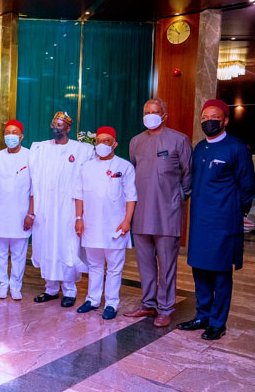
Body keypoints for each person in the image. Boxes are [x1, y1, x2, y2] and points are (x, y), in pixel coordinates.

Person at [177, 99, 255, 340]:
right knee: (199, 269)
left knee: (220, 274)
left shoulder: (237, 148)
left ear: (225, 121)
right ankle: (202, 315)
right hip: (200, 221)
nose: (208, 121)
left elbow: (247, 188)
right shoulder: (199, 148)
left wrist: (234, 212)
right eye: (204, 117)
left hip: (224, 222)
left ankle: (218, 322)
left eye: (214, 117)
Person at [124, 98, 192, 327]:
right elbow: (134, 172)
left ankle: (165, 308)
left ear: (164, 115)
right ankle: (149, 304)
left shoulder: (179, 140)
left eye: (155, 111)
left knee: (167, 264)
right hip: (142, 212)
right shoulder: (135, 142)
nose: (150, 115)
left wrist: (176, 198)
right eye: (146, 111)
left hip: (167, 213)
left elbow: (188, 174)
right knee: (144, 263)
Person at [31, 111, 93, 308]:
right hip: (46, 208)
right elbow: (33, 181)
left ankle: (69, 291)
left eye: (60, 124)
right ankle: (50, 288)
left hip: (68, 209)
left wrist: (80, 214)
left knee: (68, 247)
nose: (56, 127)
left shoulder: (81, 149)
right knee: (47, 245)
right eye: (54, 123)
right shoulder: (40, 149)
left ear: (68, 127)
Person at [74, 126, 137, 320]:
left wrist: (127, 221)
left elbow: (131, 196)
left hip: (115, 226)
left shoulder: (124, 166)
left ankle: (111, 303)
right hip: (91, 225)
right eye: (99, 141)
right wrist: (78, 218)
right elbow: (79, 195)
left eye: (107, 141)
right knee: (94, 265)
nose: (102, 144)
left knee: (114, 267)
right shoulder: (86, 167)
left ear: (115, 144)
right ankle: (92, 300)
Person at [0, 120, 33, 300]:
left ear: (21, 136)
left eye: (14, 132)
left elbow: (34, 189)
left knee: (19, 254)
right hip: (0, 213)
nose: (10, 135)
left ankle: (16, 286)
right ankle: (2, 285)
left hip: (22, 214)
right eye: (7, 132)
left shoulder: (30, 157)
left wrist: (31, 214)